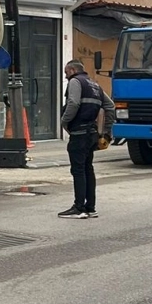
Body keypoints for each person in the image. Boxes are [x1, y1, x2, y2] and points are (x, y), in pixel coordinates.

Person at [58, 60, 111, 219]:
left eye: (66, 72)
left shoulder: (75, 81)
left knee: (78, 170)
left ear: (73, 70)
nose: (66, 76)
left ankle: (79, 208)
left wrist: (64, 122)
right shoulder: (95, 85)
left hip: (79, 133)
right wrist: (106, 131)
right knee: (88, 169)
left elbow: (73, 103)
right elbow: (110, 106)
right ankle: (90, 208)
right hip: (91, 134)